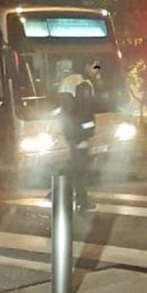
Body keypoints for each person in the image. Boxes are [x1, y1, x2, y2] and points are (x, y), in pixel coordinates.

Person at [57, 61, 100, 212]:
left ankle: (57, 191)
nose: (97, 70)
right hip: (78, 133)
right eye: (95, 66)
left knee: (78, 164)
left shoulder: (68, 81)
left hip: (71, 130)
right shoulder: (83, 84)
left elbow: (67, 110)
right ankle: (82, 201)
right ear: (86, 66)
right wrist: (85, 134)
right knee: (81, 167)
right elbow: (84, 111)